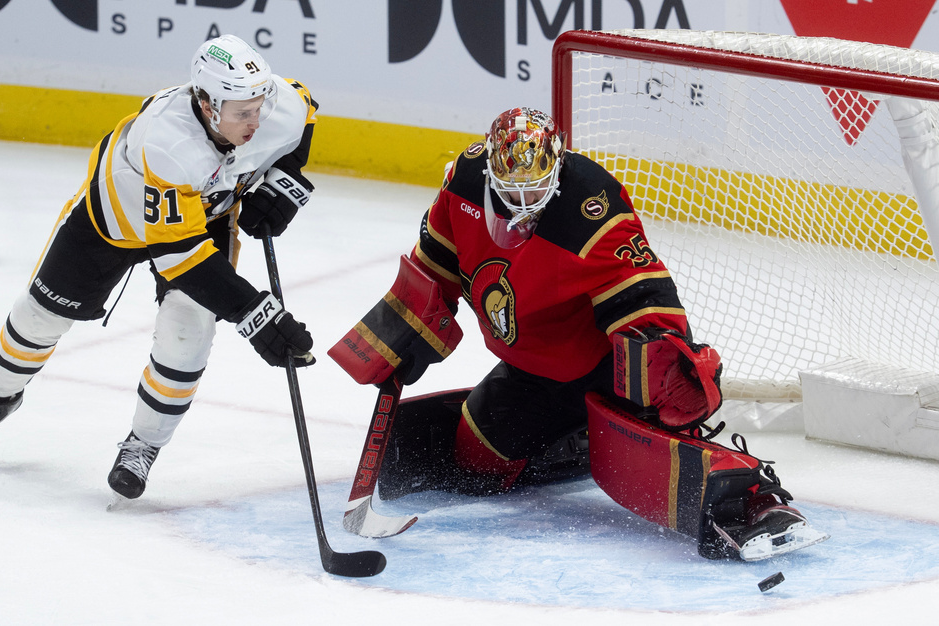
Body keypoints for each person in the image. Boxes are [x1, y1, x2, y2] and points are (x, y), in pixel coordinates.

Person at [329, 107, 828, 561]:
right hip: (533, 371)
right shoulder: (462, 182)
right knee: (472, 464)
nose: (522, 204)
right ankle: (576, 440)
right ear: (489, 174)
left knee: (658, 439)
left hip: (604, 368)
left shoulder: (591, 204)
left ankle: (753, 501)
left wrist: (669, 369)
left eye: (535, 189)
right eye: (510, 191)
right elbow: (431, 272)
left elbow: (642, 301)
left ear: (557, 169)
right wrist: (403, 334)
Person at [0, 35, 318, 502]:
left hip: (204, 217)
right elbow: (181, 259)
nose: (256, 123)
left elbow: (304, 117)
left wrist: (285, 180)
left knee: (188, 332)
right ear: (205, 103)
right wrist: (255, 315)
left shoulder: (275, 104)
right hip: (112, 220)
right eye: (243, 113)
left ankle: (143, 444)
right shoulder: (167, 141)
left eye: (259, 107)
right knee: (41, 315)